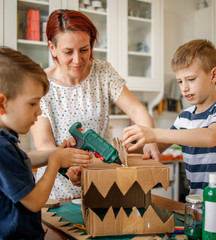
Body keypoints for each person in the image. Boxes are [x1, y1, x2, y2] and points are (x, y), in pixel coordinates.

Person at [30, 9, 160, 200]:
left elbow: (136, 109)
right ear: (52, 48)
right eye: (68, 52)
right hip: (55, 194)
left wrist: (150, 139)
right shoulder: (40, 84)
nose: (78, 60)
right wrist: (67, 168)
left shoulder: (103, 72)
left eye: (84, 49)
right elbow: (44, 143)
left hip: (100, 188)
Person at [0, 46, 92, 239]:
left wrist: (56, 152)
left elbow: (24, 160)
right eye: (33, 103)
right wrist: (55, 162)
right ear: (1, 104)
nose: (39, 111)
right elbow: (34, 201)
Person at [122, 39, 216, 195]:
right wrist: (131, 146)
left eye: (191, 79)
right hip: (197, 202)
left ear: (213, 75)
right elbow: (156, 148)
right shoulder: (185, 117)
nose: (185, 88)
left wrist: (152, 133)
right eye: (180, 81)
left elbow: (210, 136)